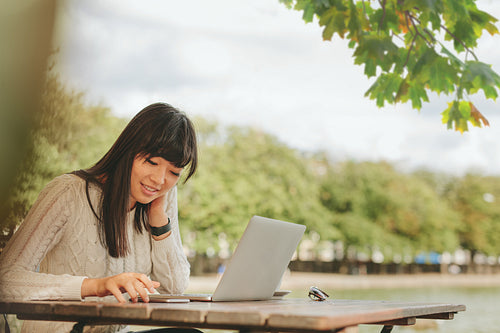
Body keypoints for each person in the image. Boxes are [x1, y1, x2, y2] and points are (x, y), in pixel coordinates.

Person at [0, 102, 199, 333]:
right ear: (128, 151)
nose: (159, 179)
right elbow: (5, 279)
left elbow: (174, 290)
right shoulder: (68, 193)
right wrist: (95, 286)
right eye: (152, 162)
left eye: (174, 172)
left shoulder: (158, 198)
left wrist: (158, 219)